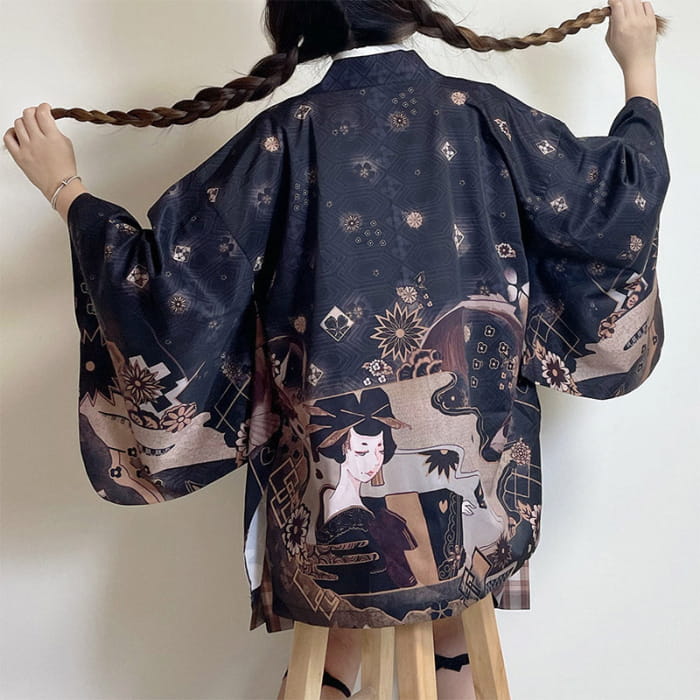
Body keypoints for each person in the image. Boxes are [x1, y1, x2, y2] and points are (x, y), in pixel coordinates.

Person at [3, 1, 669, 698]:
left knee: (344, 581)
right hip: (485, 505)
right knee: (451, 604)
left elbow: (162, 286)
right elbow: (619, 202)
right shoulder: (483, 114)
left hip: (322, 506)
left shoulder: (278, 140)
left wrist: (66, 189)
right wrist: (639, 63)